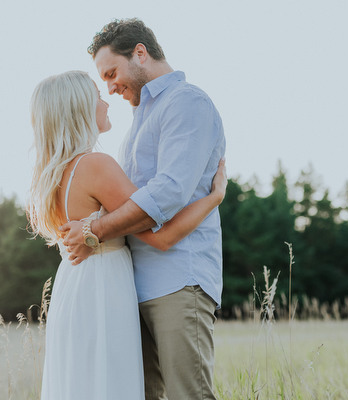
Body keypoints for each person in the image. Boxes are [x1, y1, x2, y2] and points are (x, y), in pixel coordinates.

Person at [27, 71, 226, 400]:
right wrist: (212, 199)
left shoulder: (53, 176)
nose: (106, 100)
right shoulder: (95, 166)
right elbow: (162, 236)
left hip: (73, 292)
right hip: (103, 290)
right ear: (79, 109)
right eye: (96, 95)